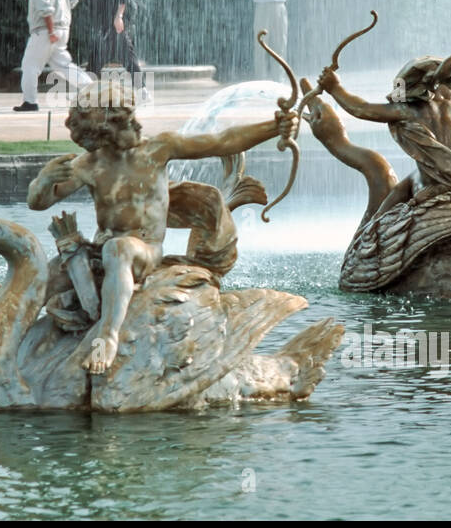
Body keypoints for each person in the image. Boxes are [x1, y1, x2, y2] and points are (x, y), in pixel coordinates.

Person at [25, 80, 299, 374]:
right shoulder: (90, 164)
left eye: (95, 133)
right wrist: (42, 181)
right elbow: (39, 203)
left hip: (143, 251)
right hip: (99, 252)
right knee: (44, 278)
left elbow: (223, 140)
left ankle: (108, 335)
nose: (91, 142)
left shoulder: (158, 149)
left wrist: (273, 127)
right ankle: (10, 343)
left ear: (116, 122)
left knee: (120, 248)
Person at [15, 0, 92, 111]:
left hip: (45, 32)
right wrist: (61, 13)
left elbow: (45, 10)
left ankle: (30, 101)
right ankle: (92, 89)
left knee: (30, 66)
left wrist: (51, 31)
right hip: (63, 29)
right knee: (64, 65)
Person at [83, 0, 146, 100]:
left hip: (115, 29)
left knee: (127, 60)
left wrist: (118, 17)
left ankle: (143, 91)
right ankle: (89, 90)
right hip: (109, 29)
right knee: (96, 60)